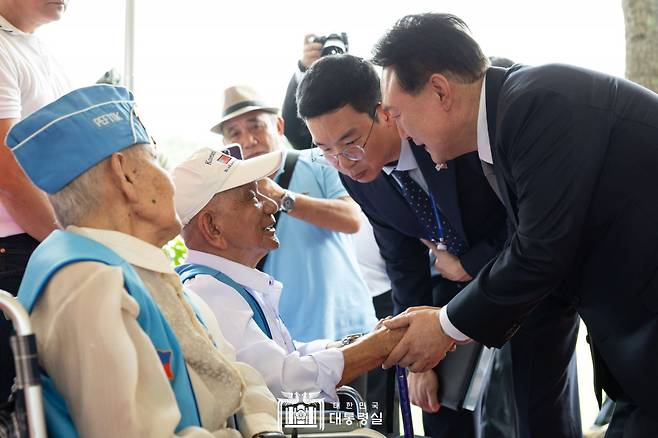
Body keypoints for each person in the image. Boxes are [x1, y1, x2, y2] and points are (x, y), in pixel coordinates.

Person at [373, 12, 658, 436]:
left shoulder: (538, 103)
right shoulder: (510, 117)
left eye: (397, 113)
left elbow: (540, 250)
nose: (400, 130)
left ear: (439, 90)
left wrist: (446, 325)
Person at [7, 85, 281, 437]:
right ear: (126, 176)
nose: (168, 178)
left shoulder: (133, 266)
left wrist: (262, 428)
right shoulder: (88, 283)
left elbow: (236, 373)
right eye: (154, 158)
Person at [296, 54, 539, 438]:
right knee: (437, 406)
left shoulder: (446, 132)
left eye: (350, 143)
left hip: (520, 275)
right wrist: (417, 360)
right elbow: (401, 260)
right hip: (442, 290)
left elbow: (524, 214)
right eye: (325, 151)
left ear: (385, 111)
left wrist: (468, 264)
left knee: (532, 405)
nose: (343, 163)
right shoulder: (358, 176)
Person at [170, 146, 405, 403]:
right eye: (252, 197)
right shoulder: (209, 291)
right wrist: (377, 346)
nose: (271, 205)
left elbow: (283, 354)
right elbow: (283, 384)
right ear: (212, 226)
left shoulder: (226, 284)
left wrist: (349, 344)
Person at [210, 85, 377, 345]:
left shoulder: (320, 160)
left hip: (349, 328)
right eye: (235, 133)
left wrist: (283, 198)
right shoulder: (229, 197)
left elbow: (352, 218)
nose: (248, 140)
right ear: (224, 144)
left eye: (255, 126)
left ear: (278, 125)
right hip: (286, 345)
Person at [0, 0, 71, 400]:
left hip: (40, 243)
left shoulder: (37, 49)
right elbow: (7, 172)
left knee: (47, 403)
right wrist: (66, 243)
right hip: (15, 252)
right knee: (21, 407)